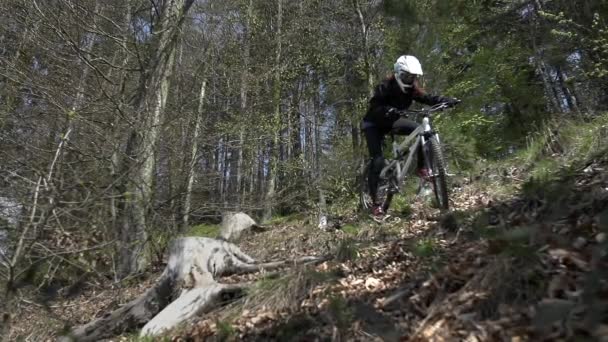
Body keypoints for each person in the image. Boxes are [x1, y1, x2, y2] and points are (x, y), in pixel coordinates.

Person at [362, 55, 460, 217]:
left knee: (423, 130)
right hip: (373, 124)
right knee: (378, 161)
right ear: (398, 74)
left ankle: (421, 168)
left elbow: (428, 98)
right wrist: (387, 109)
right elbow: (375, 106)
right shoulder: (385, 86)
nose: (410, 79)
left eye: (413, 77)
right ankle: (376, 204)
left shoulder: (411, 89)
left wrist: (446, 101)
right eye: (407, 76)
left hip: (392, 121)